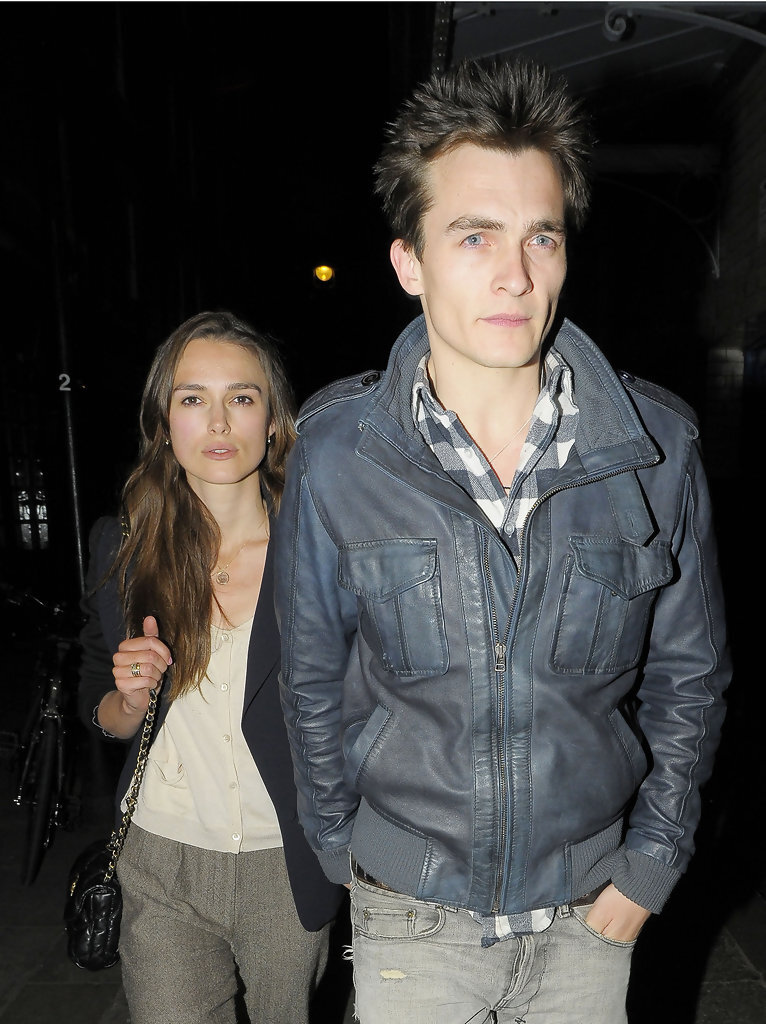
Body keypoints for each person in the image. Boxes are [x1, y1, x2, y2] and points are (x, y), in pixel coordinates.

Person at [273, 57, 731, 1024]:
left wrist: (652, 861)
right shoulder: (335, 452)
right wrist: (340, 846)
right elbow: (309, 674)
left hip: (590, 913)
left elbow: (689, 678)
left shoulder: (659, 450)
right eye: (474, 235)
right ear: (409, 262)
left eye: (541, 237)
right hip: (409, 910)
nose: (516, 275)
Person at [78, 311, 344, 1024]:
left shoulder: (324, 550)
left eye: (242, 397)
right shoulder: (123, 548)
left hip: (286, 859)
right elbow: (99, 705)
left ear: (273, 420)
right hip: (160, 858)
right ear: (163, 423)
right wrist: (128, 699)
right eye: (193, 398)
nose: (219, 422)